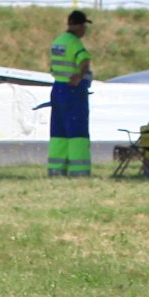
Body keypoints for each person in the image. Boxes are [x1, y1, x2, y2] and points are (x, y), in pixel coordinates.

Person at [47, 10, 94, 177]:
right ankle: (79, 171)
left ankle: (56, 169)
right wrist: (79, 76)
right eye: (84, 26)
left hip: (57, 89)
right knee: (77, 132)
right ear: (80, 26)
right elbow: (84, 60)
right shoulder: (74, 43)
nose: (85, 30)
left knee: (58, 132)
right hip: (73, 91)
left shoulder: (57, 42)